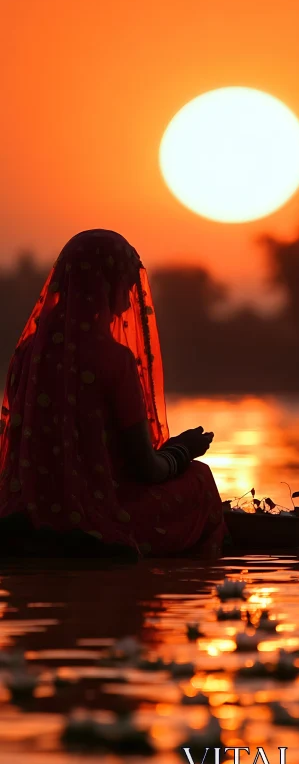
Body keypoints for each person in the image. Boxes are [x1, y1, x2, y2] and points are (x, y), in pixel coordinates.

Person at [0, 229, 226, 558]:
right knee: (200, 479)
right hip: (99, 519)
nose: (133, 287)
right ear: (107, 284)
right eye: (126, 277)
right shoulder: (111, 357)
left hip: (27, 514)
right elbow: (145, 470)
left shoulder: (28, 353)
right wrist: (181, 451)